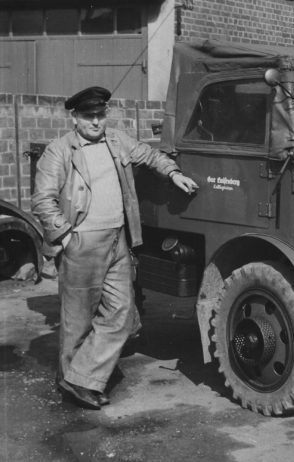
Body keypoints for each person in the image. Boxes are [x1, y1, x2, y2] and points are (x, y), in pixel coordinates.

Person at [32, 86, 199, 410]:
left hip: (118, 241)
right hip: (82, 242)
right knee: (77, 319)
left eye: (100, 115)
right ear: (75, 118)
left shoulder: (117, 140)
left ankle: (80, 376)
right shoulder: (59, 151)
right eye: (88, 116)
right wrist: (66, 237)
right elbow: (42, 199)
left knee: (122, 313)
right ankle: (75, 381)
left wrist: (173, 173)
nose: (96, 122)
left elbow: (150, 155)